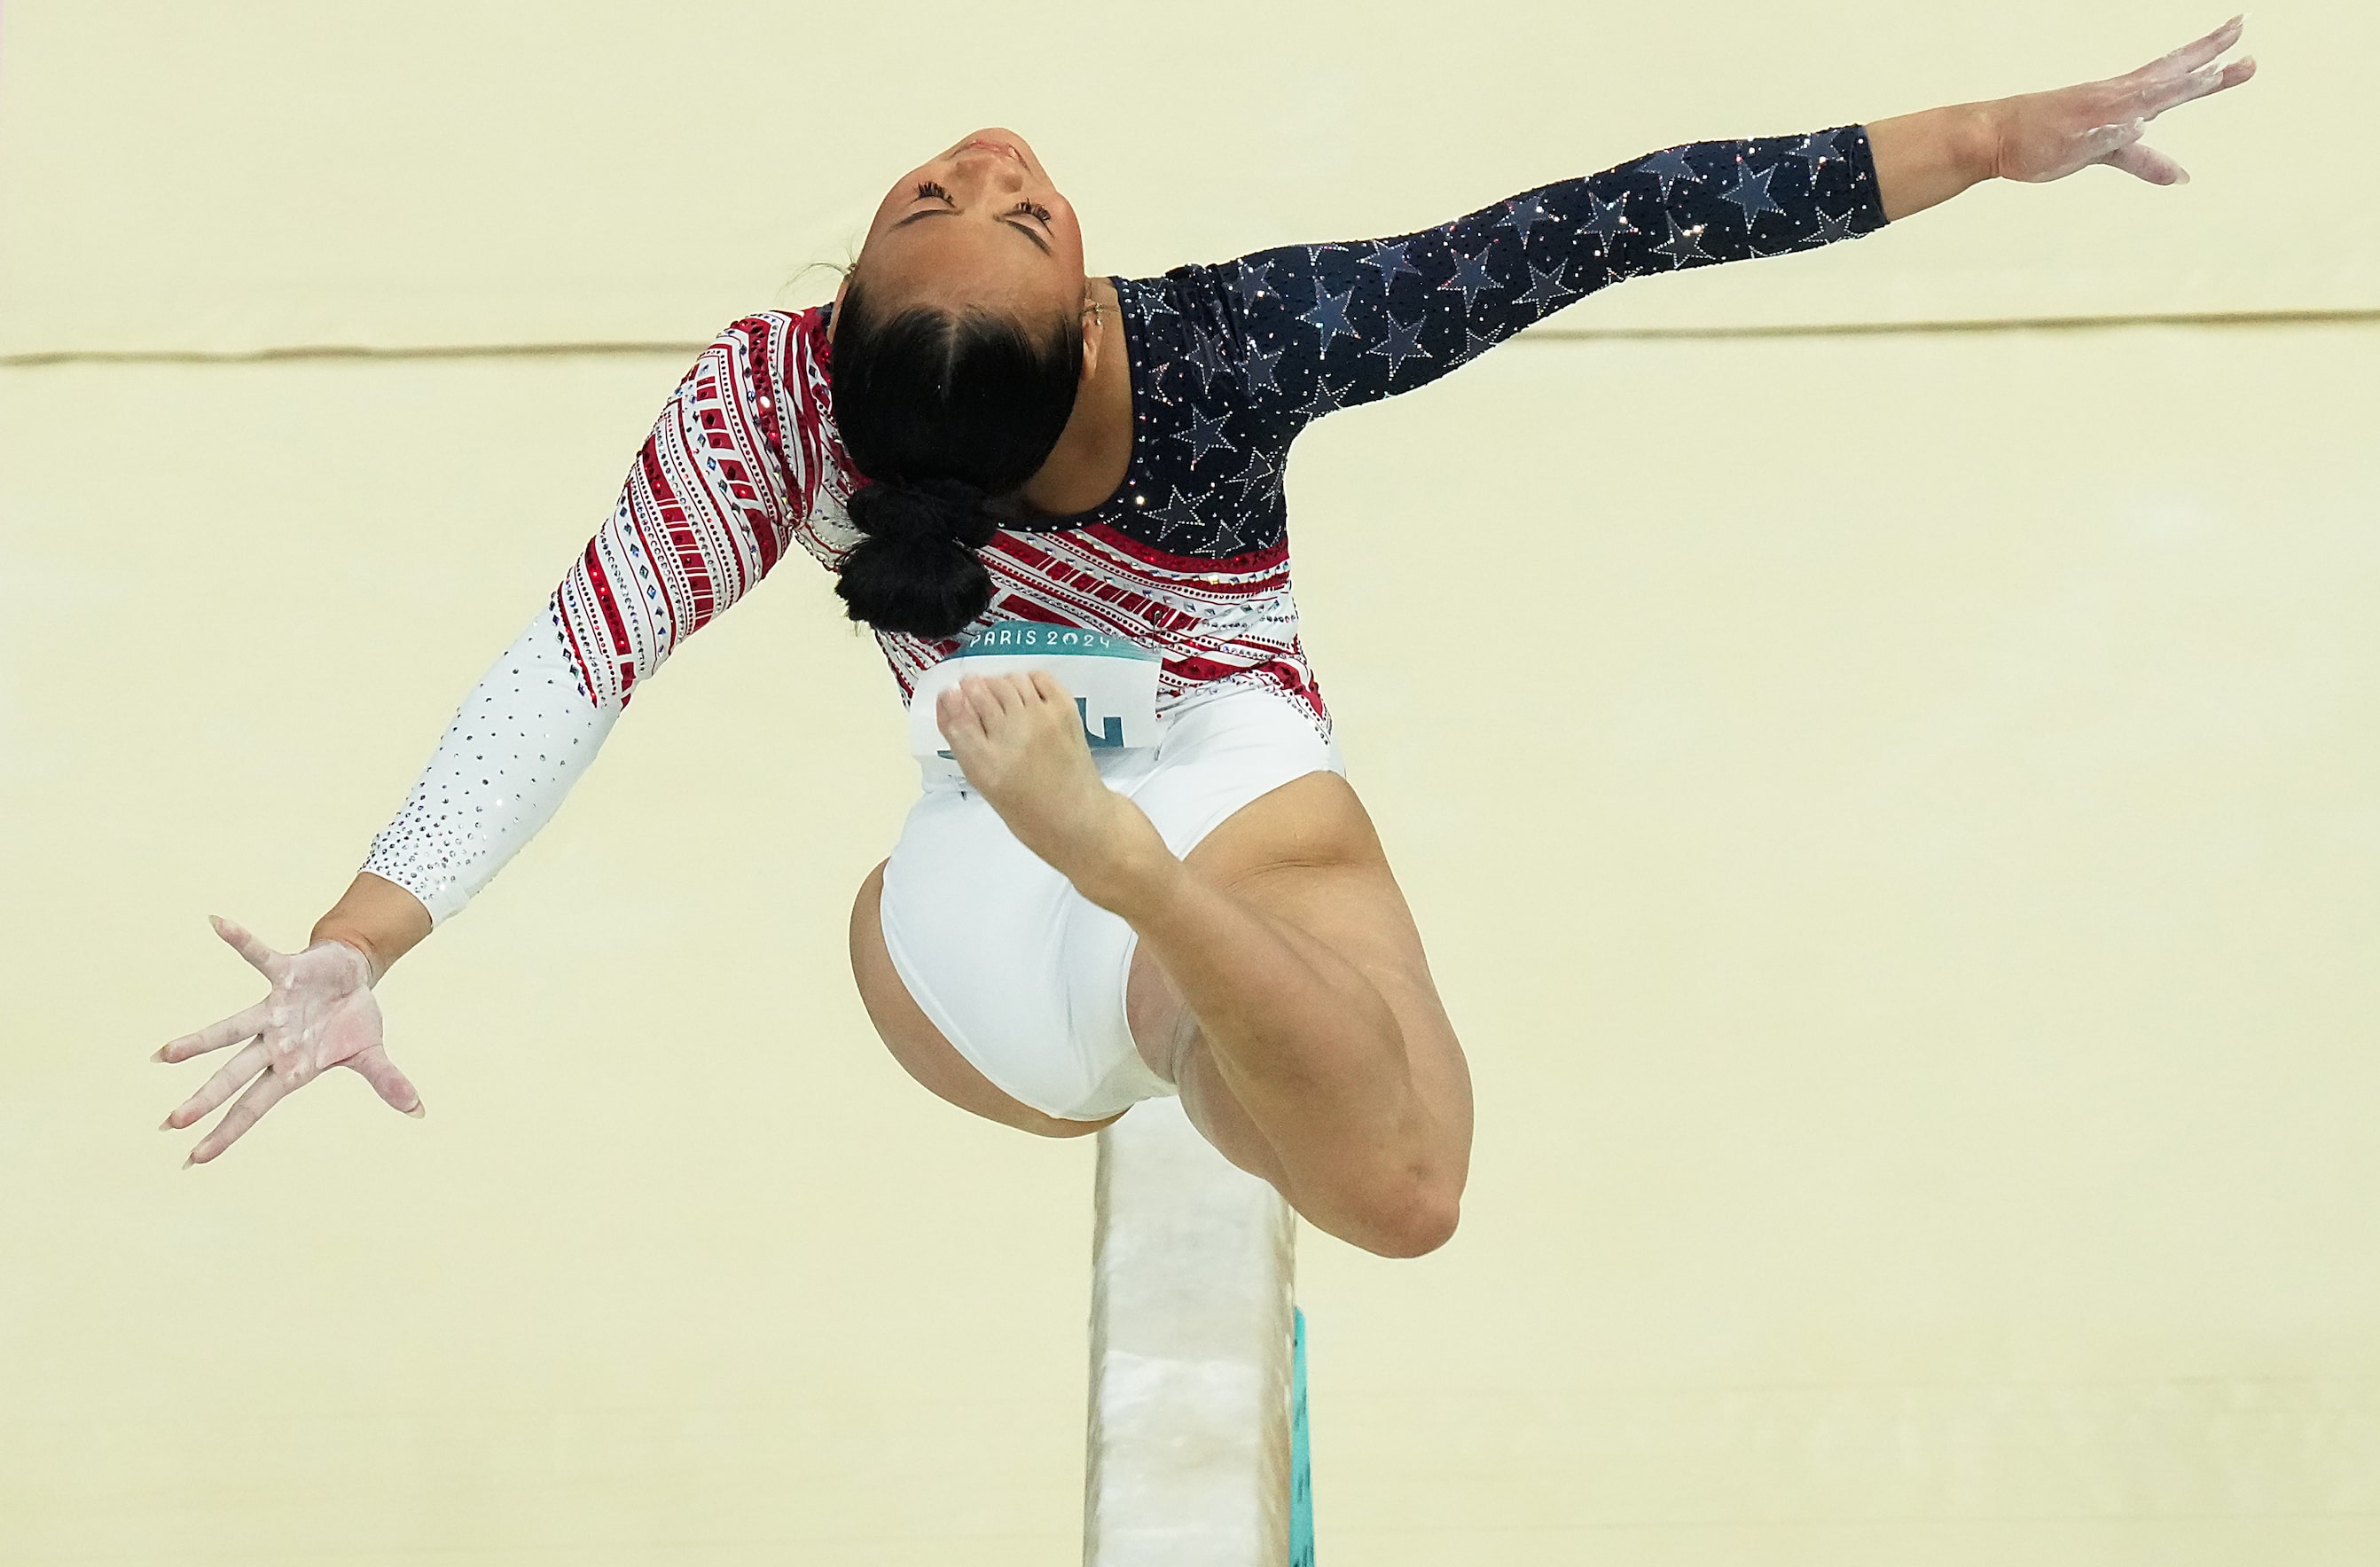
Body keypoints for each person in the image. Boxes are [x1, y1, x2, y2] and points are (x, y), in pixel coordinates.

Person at [154, 21, 2257, 1258]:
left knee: (1323, 1115)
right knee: (1399, 1182)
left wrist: (368, 937)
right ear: (1089, 318)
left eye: (964, 193)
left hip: (958, 909)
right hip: (1183, 829)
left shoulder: (781, 398)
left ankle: (1145, 935)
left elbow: (578, 664)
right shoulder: (1222, 353)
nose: (982, 161)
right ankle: (1143, 900)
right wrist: (1985, 141)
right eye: (981, 204)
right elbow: (1598, 226)